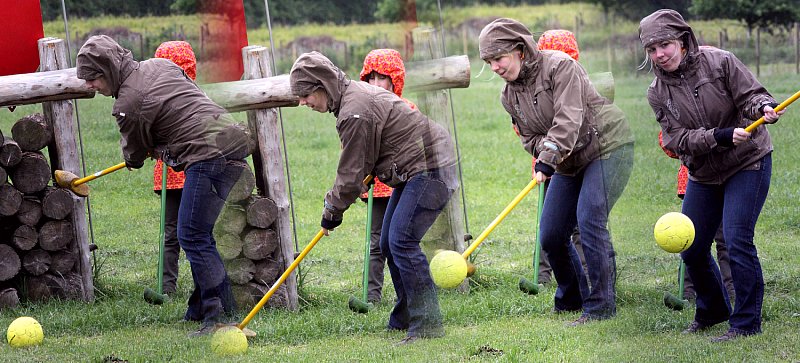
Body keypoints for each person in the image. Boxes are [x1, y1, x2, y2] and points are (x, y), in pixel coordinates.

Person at [76, 35, 250, 337]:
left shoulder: (127, 103)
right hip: (232, 143)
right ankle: (206, 309)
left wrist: (136, 157)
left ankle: (218, 317)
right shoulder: (161, 65)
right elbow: (190, 101)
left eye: (92, 78)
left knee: (191, 235)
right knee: (197, 234)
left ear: (108, 69)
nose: (90, 85)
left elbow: (134, 153)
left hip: (207, 156)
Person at [289, 51, 458, 344]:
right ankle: (406, 315)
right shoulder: (351, 101)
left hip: (432, 167)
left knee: (402, 240)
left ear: (323, 85)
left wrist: (332, 210)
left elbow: (350, 173)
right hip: (414, 169)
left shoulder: (354, 111)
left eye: (305, 95)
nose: (303, 102)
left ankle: (427, 322)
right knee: (388, 243)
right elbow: (365, 161)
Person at [479, 18, 634, 325]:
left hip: (607, 147)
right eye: (488, 61)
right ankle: (572, 297)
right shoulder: (508, 96)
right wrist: (546, 153)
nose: (494, 67)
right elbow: (528, 138)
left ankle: (601, 305)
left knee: (590, 219)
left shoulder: (561, 67)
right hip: (567, 161)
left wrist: (548, 156)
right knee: (551, 234)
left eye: (498, 58)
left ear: (520, 50)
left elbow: (568, 120)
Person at [639, 9, 782, 342]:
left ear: (683, 41)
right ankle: (714, 309)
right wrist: (718, 136)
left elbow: (751, 95)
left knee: (736, 240)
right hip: (703, 172)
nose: (660, 55)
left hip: (748, 161)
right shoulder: (656, 91)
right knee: (691, 247)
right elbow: (675, 138)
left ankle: (746, 323)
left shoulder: (721, 62)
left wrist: (763, 107)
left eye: (666, 45)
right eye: (652, 49)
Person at [357, 49, 416, 304]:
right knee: (376, 242)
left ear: (395, 80)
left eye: (382, 78)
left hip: (403, 185)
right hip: (377, 187)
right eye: (370, 78)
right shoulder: (361, 113)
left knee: (401, 240)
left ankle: (410, 292)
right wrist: (359, 180)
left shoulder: (407, 109)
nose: (375, 84)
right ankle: (371, 296)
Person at [532, 29, 586, 285]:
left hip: (582, 163)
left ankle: (586, 274)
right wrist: (547, 148)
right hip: (547, 166)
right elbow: (523, 127)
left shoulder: (576, 84)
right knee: (549, 221)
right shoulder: (534, 89)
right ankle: (543, 275)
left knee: (581, 221)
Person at [658, 130, 734, 301]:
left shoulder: (720, 112)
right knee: (689, 240)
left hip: (726, 180)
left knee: (726, 238)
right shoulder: (683, 112)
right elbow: (667, 141)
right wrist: (688, 145)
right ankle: (687, 292)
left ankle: (732, 289)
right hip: (694, 185)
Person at [151, 40, 198, 295]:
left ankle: (199, 286)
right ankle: (166, 286)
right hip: (168, 175)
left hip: (193, 172)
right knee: (171, 232)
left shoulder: (195, 97)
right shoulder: (155, 100)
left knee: (193, 231)